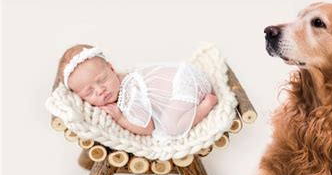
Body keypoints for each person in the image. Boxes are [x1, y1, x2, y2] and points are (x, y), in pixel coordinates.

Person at [57, 44, 218, 142]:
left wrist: (121, 118)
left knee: (171, 126)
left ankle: (207, 104)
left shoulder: (129, 91)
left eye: (103, 80)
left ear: (112, 69)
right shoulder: (121, 83)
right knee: (170, 117)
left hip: (186, 85)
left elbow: (148, 128)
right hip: (186, 80)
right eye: (89, 92)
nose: (100, 91)